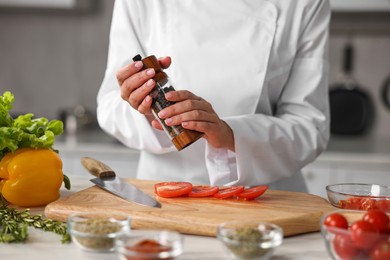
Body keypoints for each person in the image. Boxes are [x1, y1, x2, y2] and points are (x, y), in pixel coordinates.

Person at [97, 0, 331, 192]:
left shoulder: (305, 4)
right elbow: (109, 105)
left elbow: (310, 127)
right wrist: (152, 112)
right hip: (168, 193)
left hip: (265, 198)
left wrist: (231, 135)